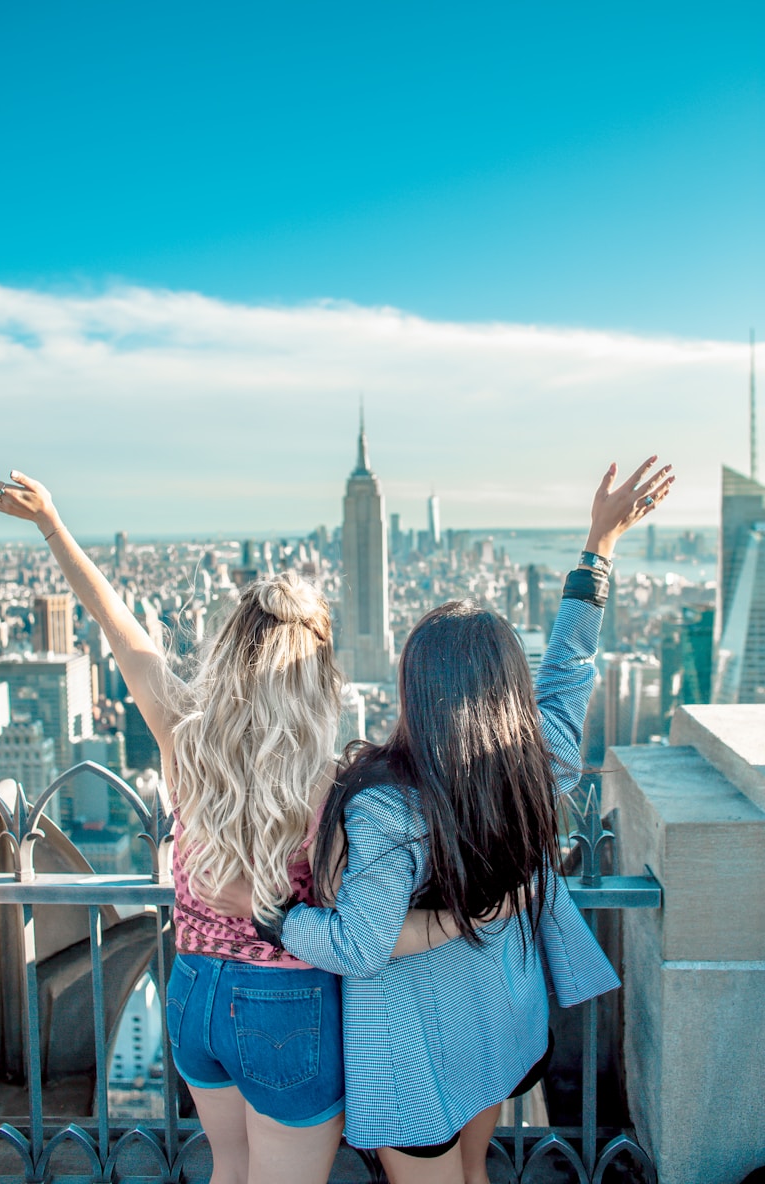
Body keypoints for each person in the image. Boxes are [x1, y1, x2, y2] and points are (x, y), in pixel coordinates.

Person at [0, 466, 445, 1184]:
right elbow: (357, 927)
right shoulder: (337, 783)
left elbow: (118, 629)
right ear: (315, 668)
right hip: (287, 1003)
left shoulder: (185, 735)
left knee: (227, 1168)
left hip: (193, 992)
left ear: (233, 650)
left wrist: (52, 524)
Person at [238, 455, 675, 1184]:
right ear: (508, 688)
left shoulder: (383, 803)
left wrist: (278, 921)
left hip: (420, 1054)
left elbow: (359, 946)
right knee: (478, 1170)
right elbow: (569, 669)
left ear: (414, 690)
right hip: (501, 1024)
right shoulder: (539, 761)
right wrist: (599, 548)